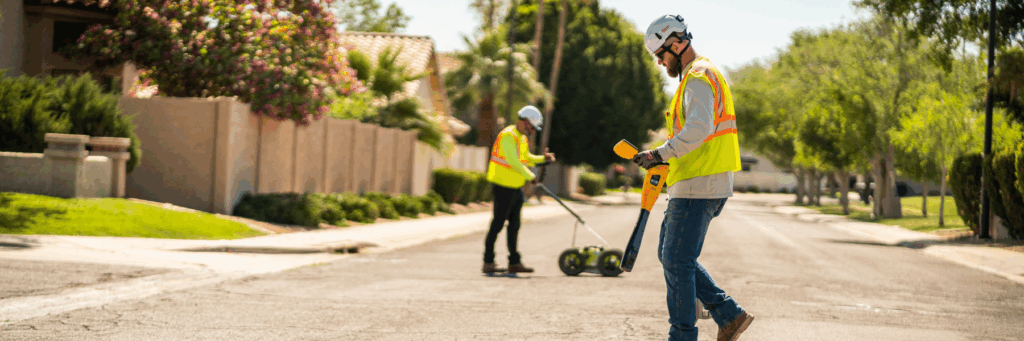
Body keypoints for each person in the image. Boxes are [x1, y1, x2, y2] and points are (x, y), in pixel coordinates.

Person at [632, 14, 754, 341]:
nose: (659, 62)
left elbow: (698, 129)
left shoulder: (698, 77)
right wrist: (663, 154)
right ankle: (729, 315)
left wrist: (660, 153)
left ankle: (684, 335)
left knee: (677, 260)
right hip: (700, 181)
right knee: (672, 256)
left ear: (677, 44)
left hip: (699, 184)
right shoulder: (698, 76)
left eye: (661, 55)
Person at [482, 105, 556, 274]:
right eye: (532, 126)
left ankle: (514, 262)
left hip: (515, 187)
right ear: (525, 121)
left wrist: (543, 159)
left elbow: (526, 158)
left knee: (514, 226)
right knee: (498, 224)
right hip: (502, 186)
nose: (532, 130)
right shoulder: (508, 135)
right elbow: (513, 161)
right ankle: (488, 261)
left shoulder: (521, 138)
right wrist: (531, 176)